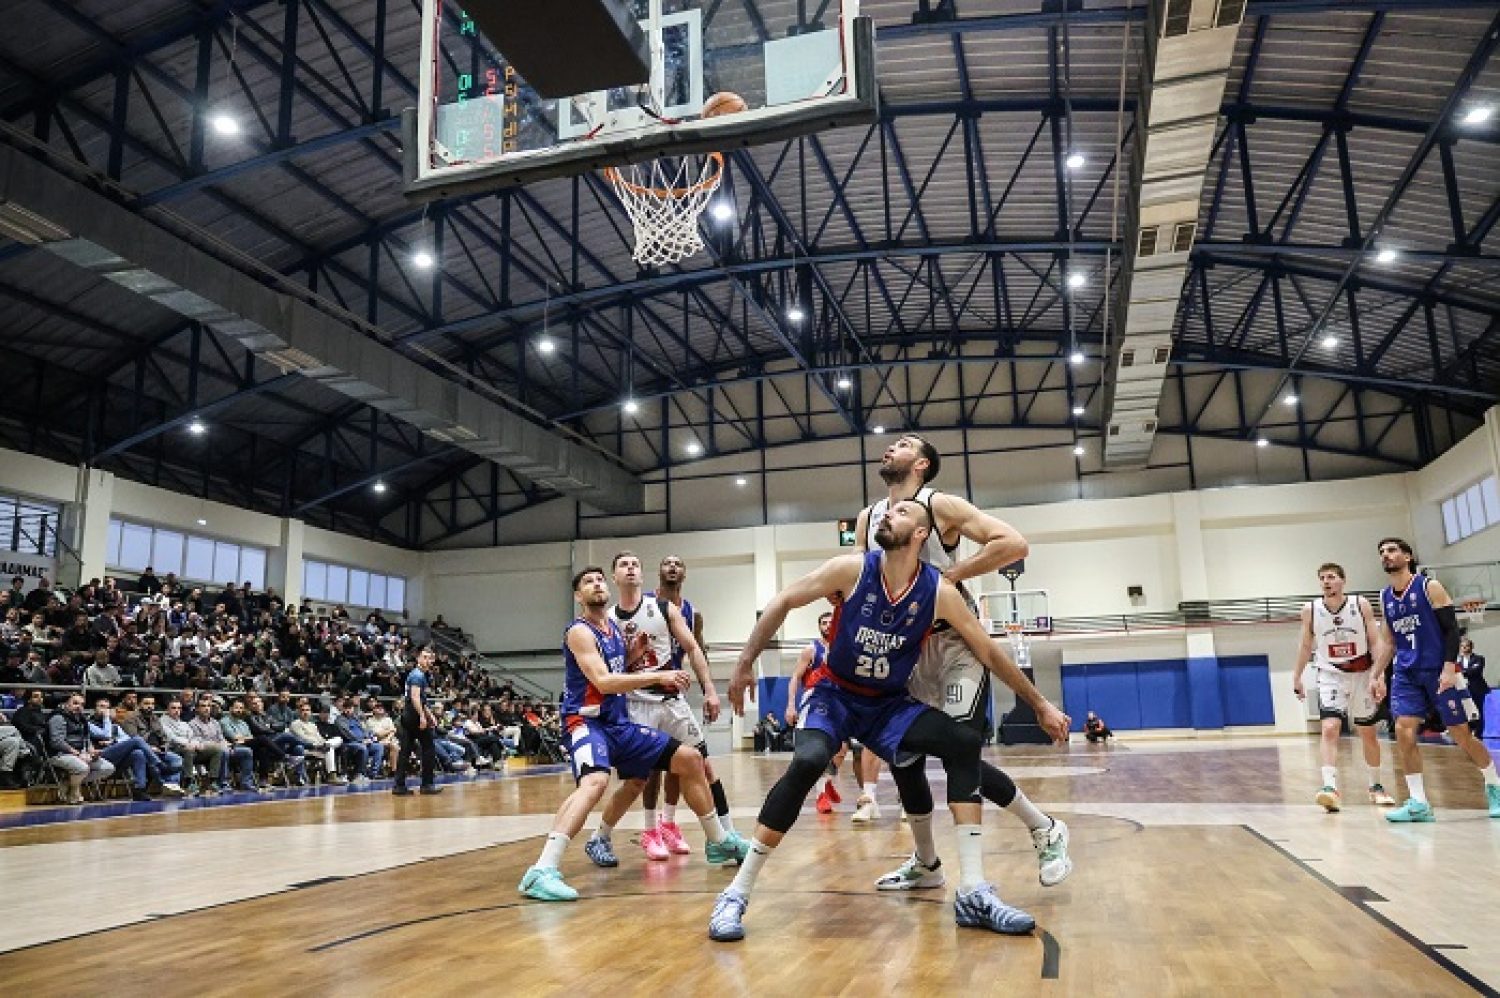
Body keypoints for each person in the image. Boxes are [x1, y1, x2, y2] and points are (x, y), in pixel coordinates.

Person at [709, 499, 1071, 942]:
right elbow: (783, 600)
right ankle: (735, 893)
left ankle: (973, 890)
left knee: (962, 742)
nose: (887, 515)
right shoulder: (852, 569)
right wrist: (744, 663)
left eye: (901, 513)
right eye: (887, 512)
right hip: (834, 695)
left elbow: (989, 651)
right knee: (809, 761)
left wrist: (1039, 704)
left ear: (921, 534)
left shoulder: (939, 591)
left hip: (887, 704)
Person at [854, 434, 1074, 890]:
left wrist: (951, 575)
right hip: (904, 651)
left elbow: (1013, 543)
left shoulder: (940, 505)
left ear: (922, 463)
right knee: (903, 756)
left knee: (960, 749)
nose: (891, 447)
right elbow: (865, 582)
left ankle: (1042, 829)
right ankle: (926, 863)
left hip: (955, 642)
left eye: (904, 444)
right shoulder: (869, 519)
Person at [518, 567, 749, 902]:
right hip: (585, 722)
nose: (597, 584)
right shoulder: (579, 632)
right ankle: (542, 869)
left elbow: (617, 667)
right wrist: (658, 676)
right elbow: (603, 682)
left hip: (618, 724)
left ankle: (719, 841)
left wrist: (634, 656)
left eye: (599, 579)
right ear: (578, 596)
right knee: (595, 782)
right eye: (588, 582)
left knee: (690, 759)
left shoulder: (613, 629)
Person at [588, 552, 728, 865]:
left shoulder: (666, 609)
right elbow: (607, 673)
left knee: (699, 765)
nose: (630, 569)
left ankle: (721, 835)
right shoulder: (607, 621)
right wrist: (633, 657)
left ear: (642, 573)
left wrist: (710, 690)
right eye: (623, 565)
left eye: (635, 564)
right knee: (641, 777)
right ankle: (644, 831)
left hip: (672, 699)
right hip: (636, 703)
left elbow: (694, 647)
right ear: (614, 577)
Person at [1374, 538, 1500, 821]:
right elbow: (1389, 642)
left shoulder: (1429, 586)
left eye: (1392, 550)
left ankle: (1494, 785)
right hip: (1406, 673)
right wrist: (1377, 674)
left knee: (1461, 734)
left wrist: (1449, 668)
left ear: (1408, 556)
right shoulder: (1385, 597)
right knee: (1403, 731)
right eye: (1381, 552)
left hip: (1438, 669)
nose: (1385, 555)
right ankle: (1418, 802)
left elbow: (1451, 630)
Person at [1292, 562, 1395, 812]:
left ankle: (1376, 786)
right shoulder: (1310, 610)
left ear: (1343, 580)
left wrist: (1379, 675)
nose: (1326, 582)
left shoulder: (1360, 604)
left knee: (1367, 732)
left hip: (1362, 672)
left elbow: (1375, 641)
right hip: (1330, 672)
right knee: (1329, 728)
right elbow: (1305, 646)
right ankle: (1330, 787)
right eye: (1322, 578)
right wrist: (1297, 676)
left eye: (1331, 577)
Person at [784, 610, 848, 813]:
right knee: (819, 747)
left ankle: (827, 781)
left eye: (831, 622)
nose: (827, 625)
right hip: (816, 700)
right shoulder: (811, 650)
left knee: (841, 748)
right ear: (819, 627)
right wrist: (791, 705)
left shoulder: (844, 647)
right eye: (824, 623)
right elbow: (795, 677)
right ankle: (821, 794)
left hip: (839, 700)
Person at [47, 692, 115, 804]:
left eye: (82, 704)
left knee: (108, 768)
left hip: (80, 753)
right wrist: (78, 754)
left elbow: (86, 739)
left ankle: (68, 782)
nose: (79, 707)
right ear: (66, 704)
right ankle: (74, 792)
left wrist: (91, 751)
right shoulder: (58, 718)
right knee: (82, 768)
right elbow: (57, 742)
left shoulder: (82, 720)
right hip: (59, 754)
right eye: (75, 703)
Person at [393, 647, 442, 796]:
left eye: (430, 658)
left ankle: (399, 786)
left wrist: (429, 715)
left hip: (410, 715)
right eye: (424, 657)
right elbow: (415, 698)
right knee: (428, 748)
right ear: (418, 659)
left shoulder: (420, 674)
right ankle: (427, 784)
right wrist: (422, 716)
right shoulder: (417, 675)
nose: (427, 660)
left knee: (405, 751)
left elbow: (421, 700)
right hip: (413, 716)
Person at [157, 698, 223, 796]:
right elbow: (171, 737)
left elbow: (193, 736)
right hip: (173, 750)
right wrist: (188, 743)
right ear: (167, 710)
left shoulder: (183, 723)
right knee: (188, 750)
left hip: (190, 748)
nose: (177, 710)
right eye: (173, 708)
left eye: (179, 708)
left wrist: (196, 743)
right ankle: (189, 783)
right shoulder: (162, 722)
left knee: (216, 750)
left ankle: (213, 781)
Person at [1458, 637, 1488, 736]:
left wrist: (1463, 672)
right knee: (1466, 712)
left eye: (1466, 646)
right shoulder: (1458, 662)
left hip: (1477, 689)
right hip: (1464, 690)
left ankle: (1479, 734)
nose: (1464, 648)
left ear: (1471, 647)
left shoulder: (1479, 658)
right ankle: (1468, 732)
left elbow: (1476, 671)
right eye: (1462, 646)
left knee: (1478, 711)